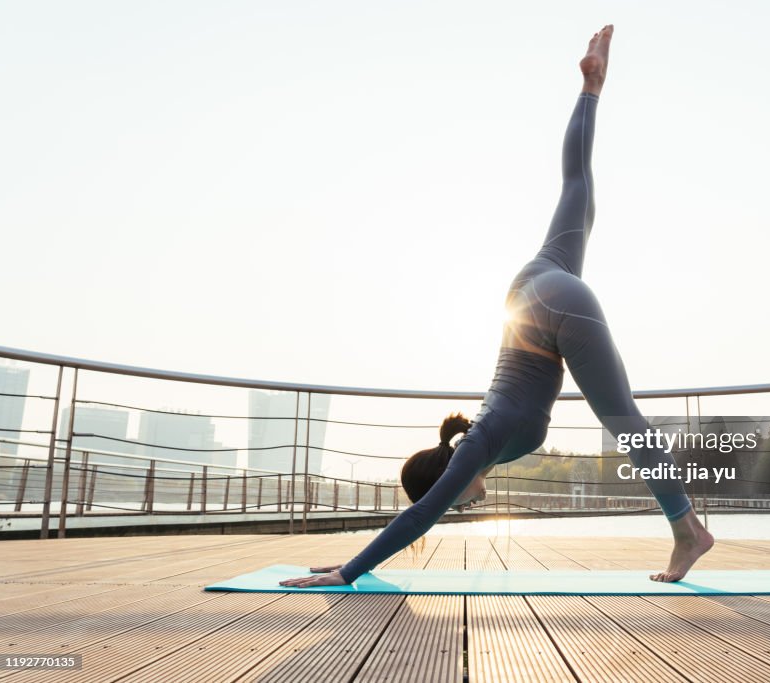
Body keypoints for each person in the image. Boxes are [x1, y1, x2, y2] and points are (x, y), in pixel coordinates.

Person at [280, 25, 714, 589]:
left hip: (551, 312)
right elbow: (427, 507)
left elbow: (419, 515)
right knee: (577, 187)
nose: (455, 505)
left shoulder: (475, 449)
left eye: (449, 498)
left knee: (625, 420)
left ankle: (688, 531)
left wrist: (349, 570)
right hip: (532, 288)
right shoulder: (481, 437)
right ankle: (592, 87)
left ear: (447, 480)